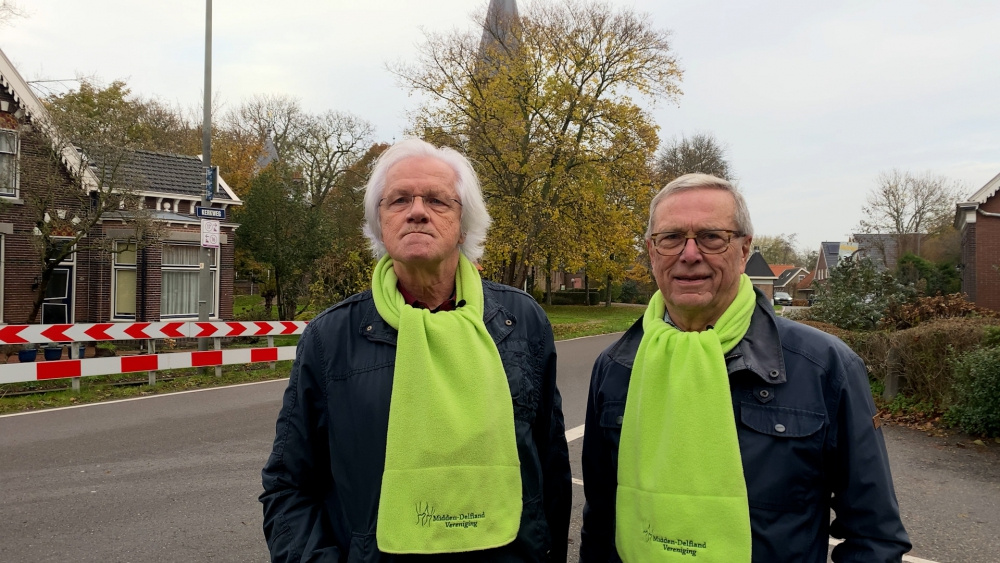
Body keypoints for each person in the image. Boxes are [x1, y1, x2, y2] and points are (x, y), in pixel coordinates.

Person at [260, 138, 571, 563]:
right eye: (399, 200)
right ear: (379, 224)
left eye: (438, 201)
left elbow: (550, 466)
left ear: (464, 224)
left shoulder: (522, 322)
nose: (417, 211)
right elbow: (289, 485)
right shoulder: (330, 338)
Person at [579, 173, 910, 562]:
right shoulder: (616, 366)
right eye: (670, 238)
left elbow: (874, 537)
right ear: (652, 251)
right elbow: (601, 521)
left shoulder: (825, 368)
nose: (689, 254)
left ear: (743, 249)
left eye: (711, 237)